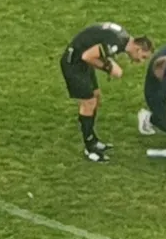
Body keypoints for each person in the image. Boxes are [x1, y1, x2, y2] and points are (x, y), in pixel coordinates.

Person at [61, 22, 154, 162]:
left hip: (82, 62)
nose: (140, 61)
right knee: (88, 103)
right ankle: (89, 148)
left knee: (96, 96)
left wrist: (108, 63)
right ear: (138, 48)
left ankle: (93, 139)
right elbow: (87, 56)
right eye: (143, 57)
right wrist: (108, 67)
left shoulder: (122, 38)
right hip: (73, 64)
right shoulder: (117, 43)